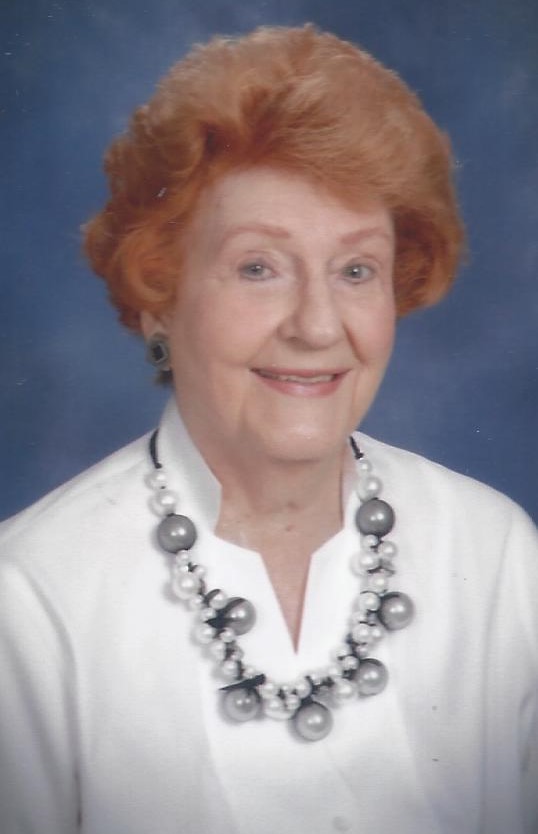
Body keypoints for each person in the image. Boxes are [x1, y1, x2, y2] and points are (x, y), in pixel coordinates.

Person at [0, 23, 536, 834]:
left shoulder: (496, 555)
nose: (317, 326)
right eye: (259, 267)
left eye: (356, 270)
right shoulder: (29, 599)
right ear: (159, 296)